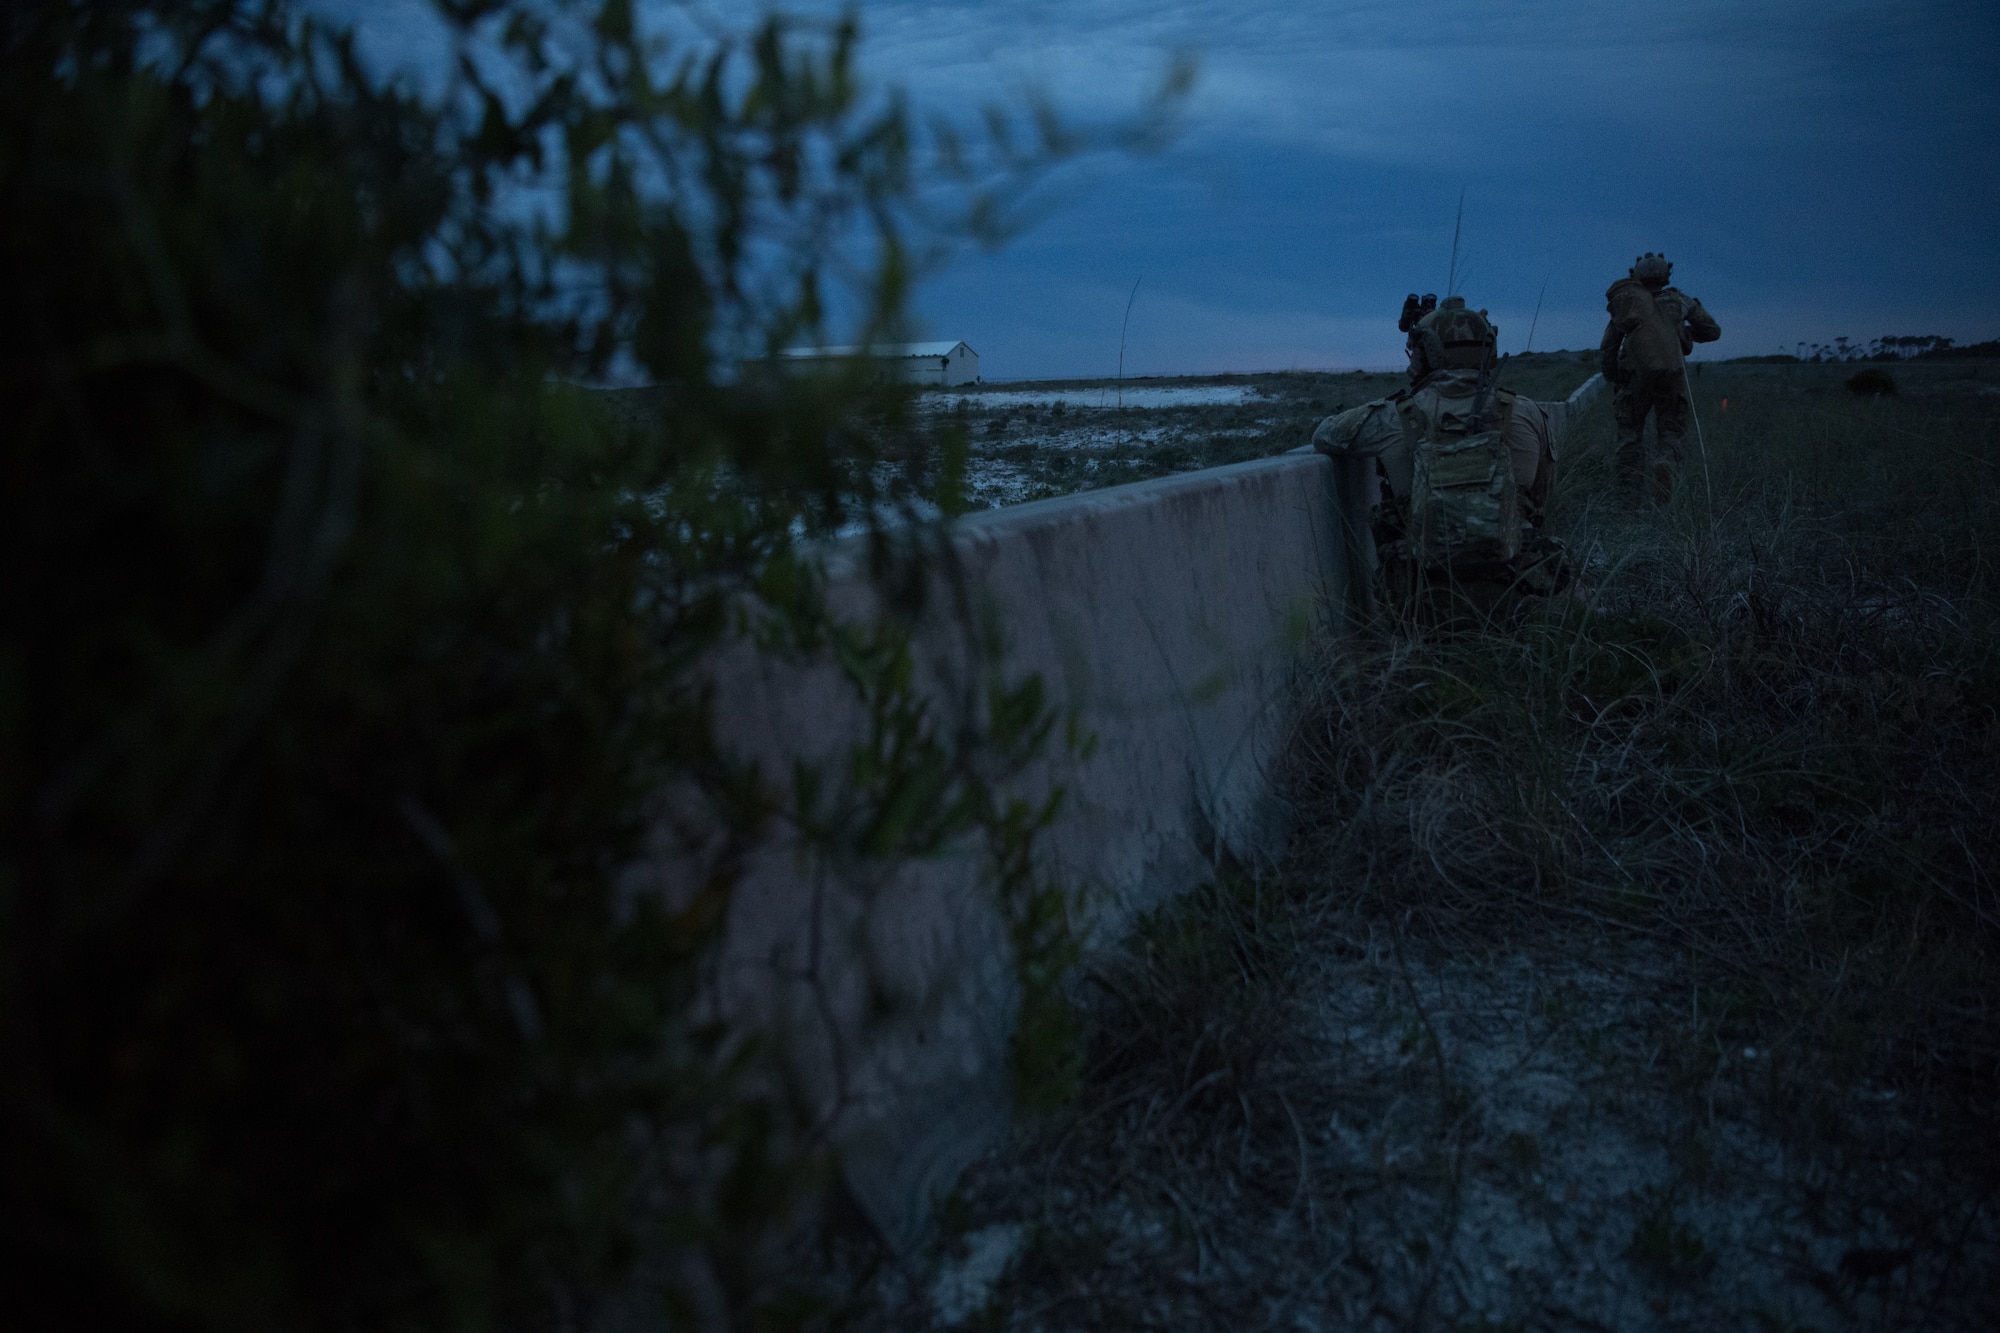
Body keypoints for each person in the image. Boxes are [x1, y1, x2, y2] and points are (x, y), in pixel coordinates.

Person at [1312, 294, 1569, 621]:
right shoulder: (1527, 414)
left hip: (1423, 607)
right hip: (1517, 599)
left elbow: (1324, 435)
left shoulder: (1395, 418)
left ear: (1425, 354)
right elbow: (1544, 493)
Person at [1599, 252, 1721, 501]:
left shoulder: (1628, 304)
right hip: (1671, 375)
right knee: (1671, 431)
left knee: (1629, 436)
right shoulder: (1680, 301)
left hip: (1633, 378)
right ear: (1666, 274)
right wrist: (1684, 334)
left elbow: (1609, 345)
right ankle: (1664, 464)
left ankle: (1627, 495)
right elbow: (1711, 331)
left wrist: (1612, 374)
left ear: (1636, 274)